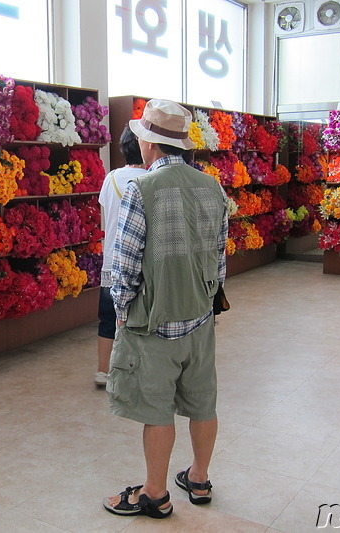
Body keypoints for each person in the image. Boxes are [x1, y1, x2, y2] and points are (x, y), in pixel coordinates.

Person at [102, 99, 229, 519]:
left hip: (154, 323)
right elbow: (218, 259)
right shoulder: (213, 188)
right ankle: (199, 477)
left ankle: (154, 493)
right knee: (203, 401)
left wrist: (123, 313)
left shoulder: (142, 190)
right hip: (199, 318)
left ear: (150, 145)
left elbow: (124, 265)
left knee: (156, 410)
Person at [95, 126, 146, 388]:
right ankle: (134, 373)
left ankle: (103, 371)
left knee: (107, 319)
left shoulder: (112, 177)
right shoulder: (151, 179)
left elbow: (107, 213)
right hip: (141, 262)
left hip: (112, 261)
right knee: (139, 320)